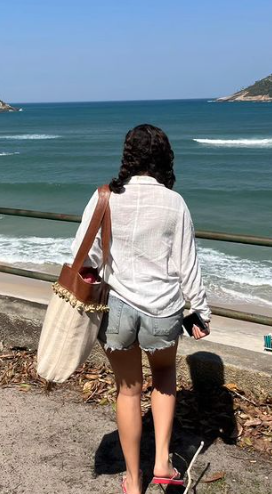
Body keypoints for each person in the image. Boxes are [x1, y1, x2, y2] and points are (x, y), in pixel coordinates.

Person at [71, 124, 211, 494]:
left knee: (128, 391)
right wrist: (200, 310)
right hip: (163, 310)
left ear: (128, 156)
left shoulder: (105, 197)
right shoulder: (173, 202)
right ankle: (163, 462)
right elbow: (188, 264)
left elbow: (83, 257)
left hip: (118, 306)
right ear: (165, 157)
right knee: (164, 379)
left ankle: (134, 481)